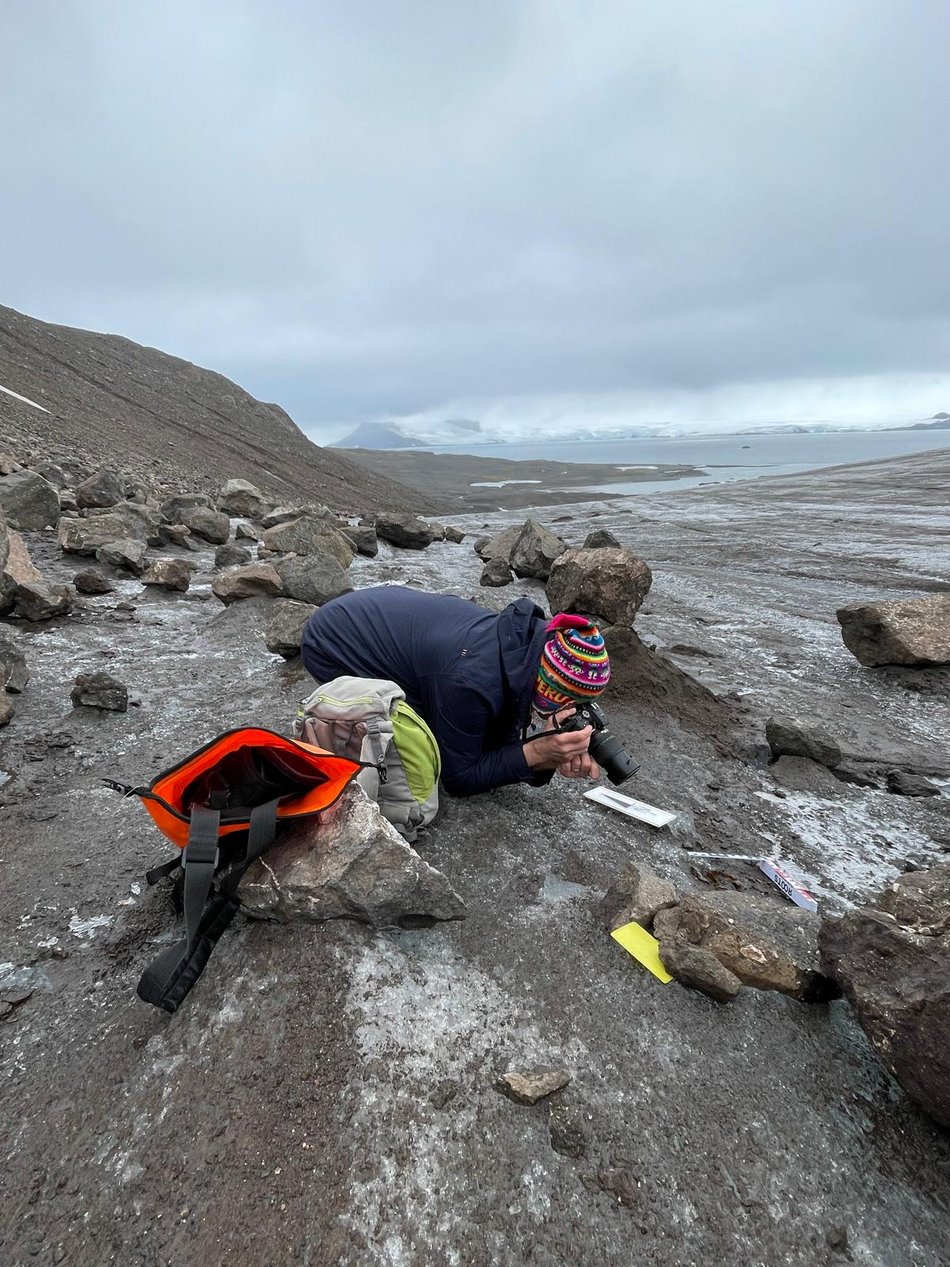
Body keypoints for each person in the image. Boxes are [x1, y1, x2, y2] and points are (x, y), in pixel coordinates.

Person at [299, 585, 611, 797]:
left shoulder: (524, 644)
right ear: (550, 690)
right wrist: (539, 752)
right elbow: (459, 778)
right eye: (573, 702)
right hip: (330, 642)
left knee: (472, 733)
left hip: (378, 617)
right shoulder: (470, 680)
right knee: (416, 735)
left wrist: (547, 752)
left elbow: (500, 742)